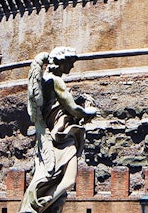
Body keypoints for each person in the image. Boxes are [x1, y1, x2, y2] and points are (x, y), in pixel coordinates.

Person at [18, 47, 98, 213]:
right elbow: (73, 109)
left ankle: (41, 204)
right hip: (61, 138)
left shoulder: (45, 81)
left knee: (52, 177)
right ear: (62, 63)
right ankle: (39, 204)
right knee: (68, 180)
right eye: (70, 63)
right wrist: (90, 111)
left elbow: (58, 106)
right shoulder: (56, 81)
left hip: (51, 137)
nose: (72, 67)